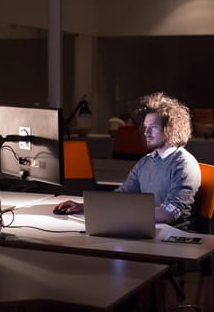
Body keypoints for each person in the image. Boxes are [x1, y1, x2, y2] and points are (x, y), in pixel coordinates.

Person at [54, 92, 201, 225]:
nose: (146, 132)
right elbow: (122, 196)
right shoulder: (146, 161)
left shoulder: (184, 164)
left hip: (172, 238)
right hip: (145, 227)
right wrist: (84, 207)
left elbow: (167, 214)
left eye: (153, 127)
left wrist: (122, 215)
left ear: (171, 129)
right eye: (145, 127)